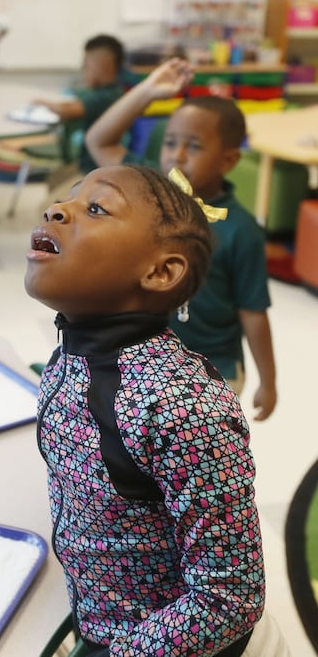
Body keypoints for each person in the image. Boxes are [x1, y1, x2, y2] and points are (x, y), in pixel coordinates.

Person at [25, 164, 290, 656]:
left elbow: (229, 597)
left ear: (161, 272)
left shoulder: (183, 407)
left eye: (96, 208)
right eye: (70, 198)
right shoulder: (71, 353)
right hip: (98, 622)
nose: (55, 208)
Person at [85, 58, 277, 421]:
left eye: (194, 146)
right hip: (146, 357)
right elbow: (99, 141)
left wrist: (268, 380)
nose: (177, 154)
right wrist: (148, 90)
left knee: (200, 461)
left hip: (213, 372)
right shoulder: (150, 193)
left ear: (229, 159)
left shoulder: (242, 229)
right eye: (171, 142)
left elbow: (253, 312)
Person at [33, 34, 125, 177]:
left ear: (102, 65)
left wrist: (42, 102)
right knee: (55, 178)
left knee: (57, 182)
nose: (83, 70)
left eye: (86, 65)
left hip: (94, 169)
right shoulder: (114, 91)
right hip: (92, 164)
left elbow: (68, 111)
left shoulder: (104, 97)